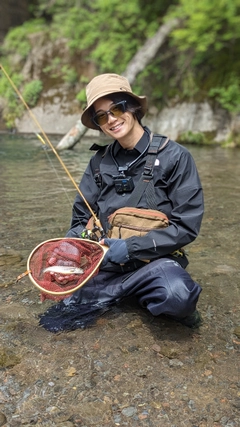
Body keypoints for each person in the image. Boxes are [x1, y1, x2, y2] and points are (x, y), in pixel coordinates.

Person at [40, 73, 204, 332]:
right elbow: (80, 221)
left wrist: (130, 248)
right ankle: (129, 298)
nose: (112, 119)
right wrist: (69, 254)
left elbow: (186, 226)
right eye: (102, 116)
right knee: (53, 321)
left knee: (179, 297)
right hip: (105, 266)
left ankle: (144, 296)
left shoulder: (175, 157)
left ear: (134, 106)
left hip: (155, 264)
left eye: (117, 108)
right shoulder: (98, 163)